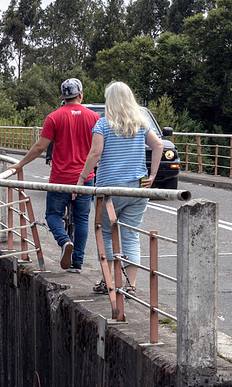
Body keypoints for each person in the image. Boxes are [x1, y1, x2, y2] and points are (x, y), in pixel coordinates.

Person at [77, 81, 163, 296]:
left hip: (110, 189)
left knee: (106, 232)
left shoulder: (103, 125)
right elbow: (158, 145)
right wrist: (152, 175)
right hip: (137, 188)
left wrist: (81, 178)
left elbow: (95, 153)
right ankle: (130, 285)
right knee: (130, 235)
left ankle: (110, 281)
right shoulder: (140, 124)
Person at [7, 78, 100, 271]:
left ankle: (64, 241)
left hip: (60, 178)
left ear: (63, 97)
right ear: (80, 95)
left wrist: (20, 164)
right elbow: (99, 149)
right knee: (82, 219)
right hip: (85, 178)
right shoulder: (94, 118)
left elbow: (41, 146)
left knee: (53, 215)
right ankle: (77, 263)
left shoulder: (54, 117)